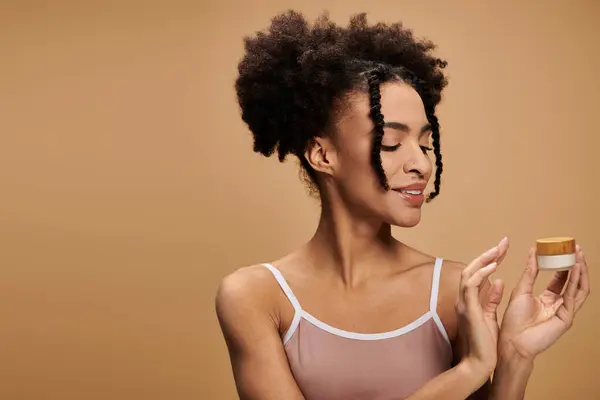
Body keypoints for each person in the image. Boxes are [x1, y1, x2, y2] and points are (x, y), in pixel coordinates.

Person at [215, 10, 590, 400]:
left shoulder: (457, 292)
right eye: (391, 144)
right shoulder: (254, 298)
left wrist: (513, 357)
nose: (422, 164)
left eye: (425, 145)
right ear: (322, 155)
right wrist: (471, 370)